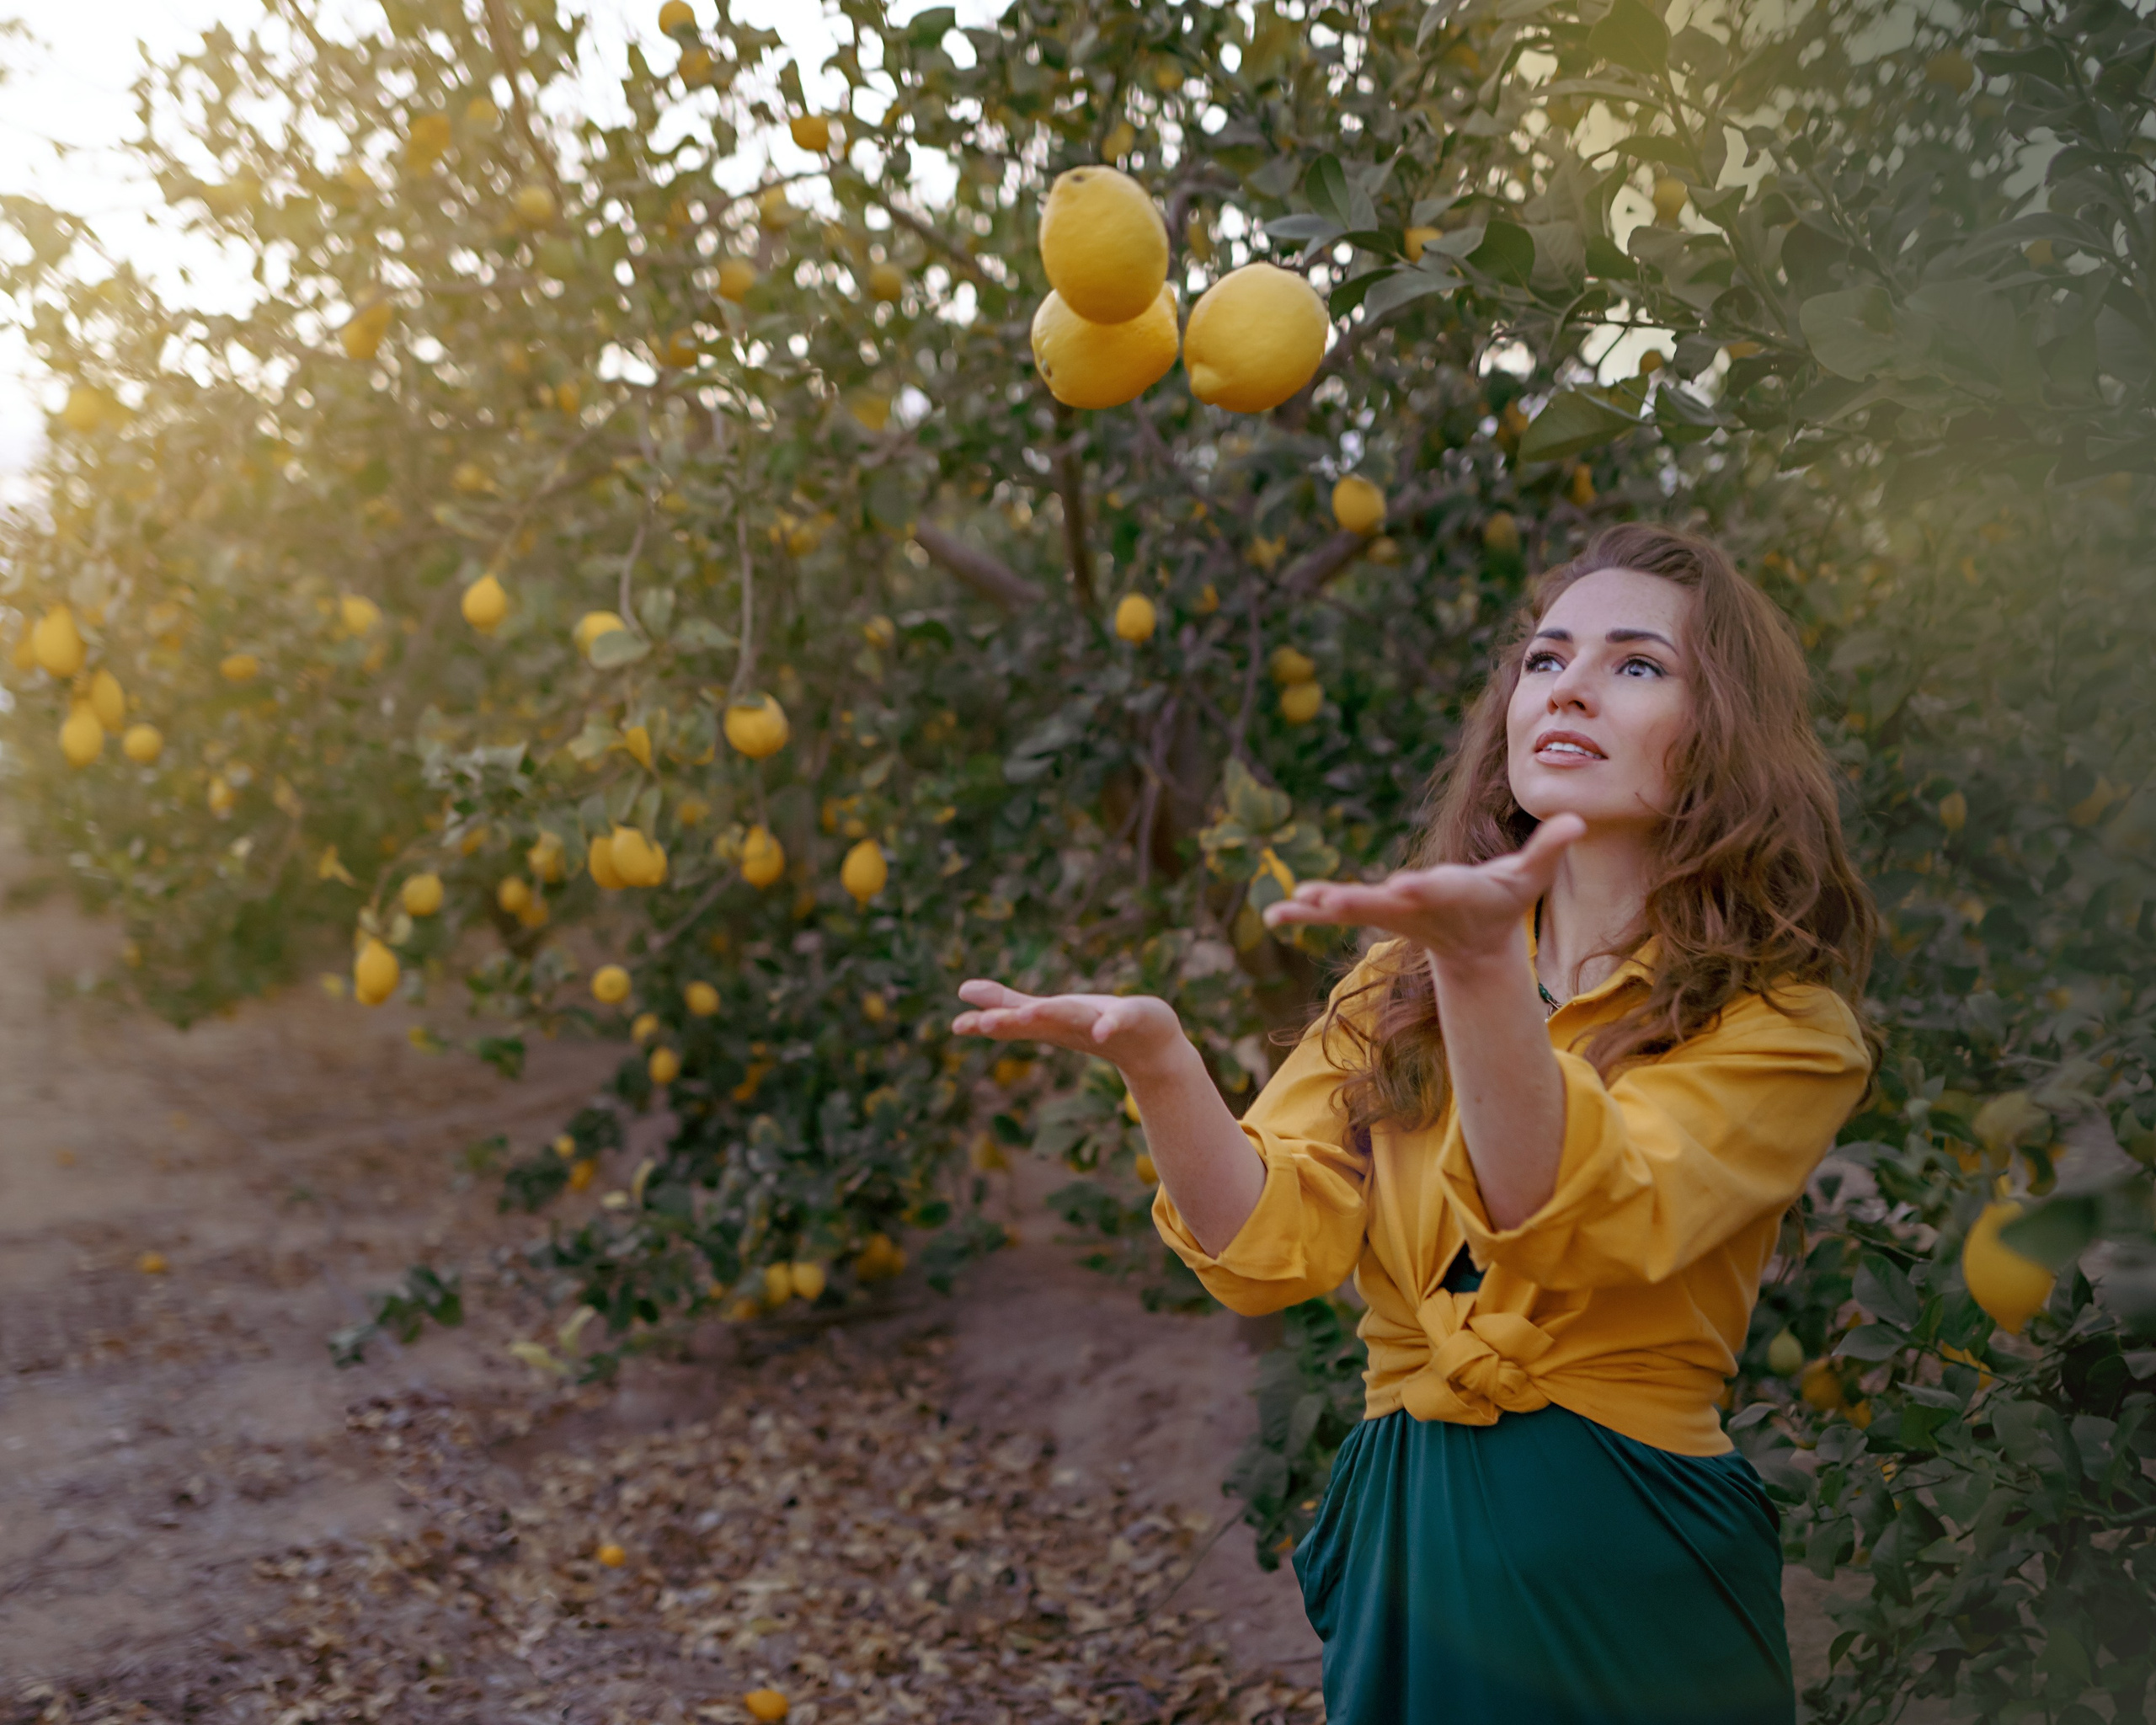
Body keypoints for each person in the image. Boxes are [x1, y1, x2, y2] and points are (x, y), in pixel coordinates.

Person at [951, 522, 1883, 1723]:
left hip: (1628, 1546)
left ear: (1719, 740)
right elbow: (1269, 1251)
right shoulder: (1401, 982)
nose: (1574, 687)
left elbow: (1567, 1223)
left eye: (1638, 666)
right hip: (1413, 1540)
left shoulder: (1782, 1025)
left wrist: (1480, 963)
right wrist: (1163, 1063)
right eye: (1545, 660)